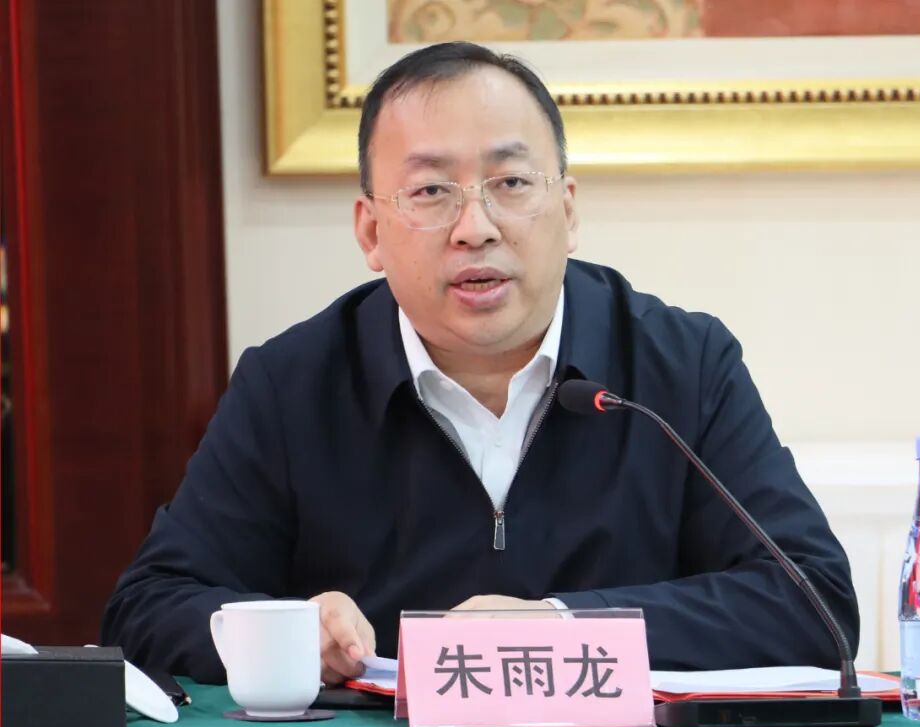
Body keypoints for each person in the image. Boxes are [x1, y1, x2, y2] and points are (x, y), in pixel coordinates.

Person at [102, 42, 859, 685]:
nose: (475, 227)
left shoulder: (680, 366)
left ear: (568, 210)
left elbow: (813, 603)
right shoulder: (292, 385)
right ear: (371, 232)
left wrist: (561, 628)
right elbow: (145, 610)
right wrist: (287, 630)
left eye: (511, 184)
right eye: (431, 191)